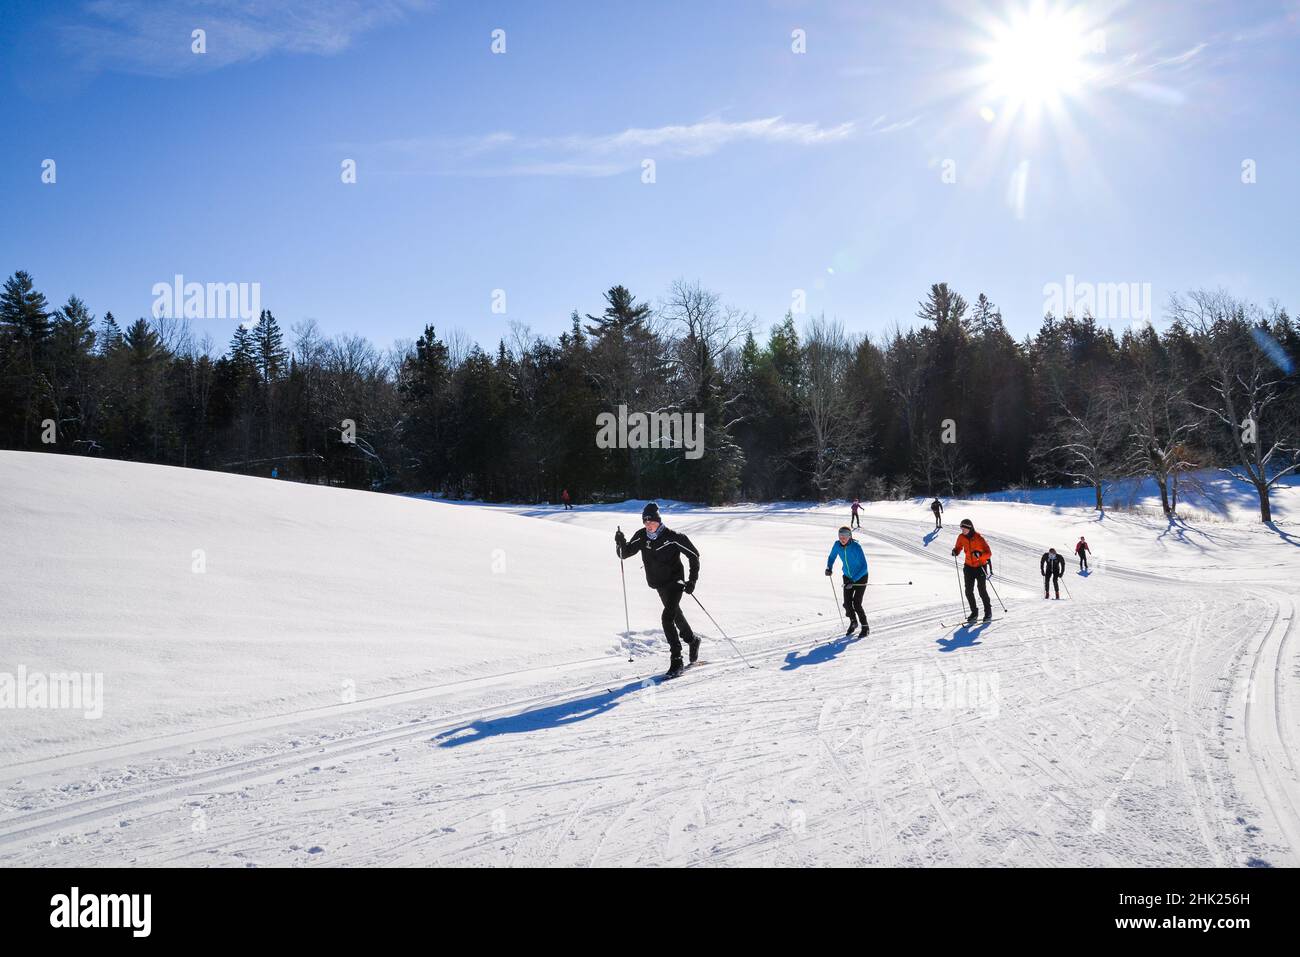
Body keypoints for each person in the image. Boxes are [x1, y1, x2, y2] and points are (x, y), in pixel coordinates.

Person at [615, 502, 701, 678]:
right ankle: (692, 640)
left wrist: (692, 581)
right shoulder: (642, 536)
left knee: (667, 618)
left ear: (658, 521)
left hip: (675, 582)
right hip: (658, 584)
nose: (648, 525)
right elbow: (624, 554)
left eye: (651, 521)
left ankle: (677, 659)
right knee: (675, 614)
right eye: (645, 522)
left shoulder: (673, 537)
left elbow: (694, 555)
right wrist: (620, 542)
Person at [825, 526, 870, 638]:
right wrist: (829, 567)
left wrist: (853, 580)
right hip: (847, 577)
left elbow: (864, 567)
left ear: (850, 536)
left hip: (861, 577)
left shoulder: (856, 547)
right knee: (847, 603)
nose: (842, 539)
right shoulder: (837, 545)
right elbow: (831, 557)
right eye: (840, 536)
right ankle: (853, 622)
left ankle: (865, 627)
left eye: (844, 536)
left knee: (857, 603)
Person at [951, 518, 993, 623]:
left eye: (964, 529)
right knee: (968, 591)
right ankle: (974, 613)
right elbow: (958, 547)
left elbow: (989, 553)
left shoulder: (979, 538)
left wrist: (980, 555)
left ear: (970, 528)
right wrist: (956, 551)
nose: (963, 531)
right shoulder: (961, 537)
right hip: (968, 567)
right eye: (961, 528)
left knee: (981, 590)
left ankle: (988, 612)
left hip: (980, 566)